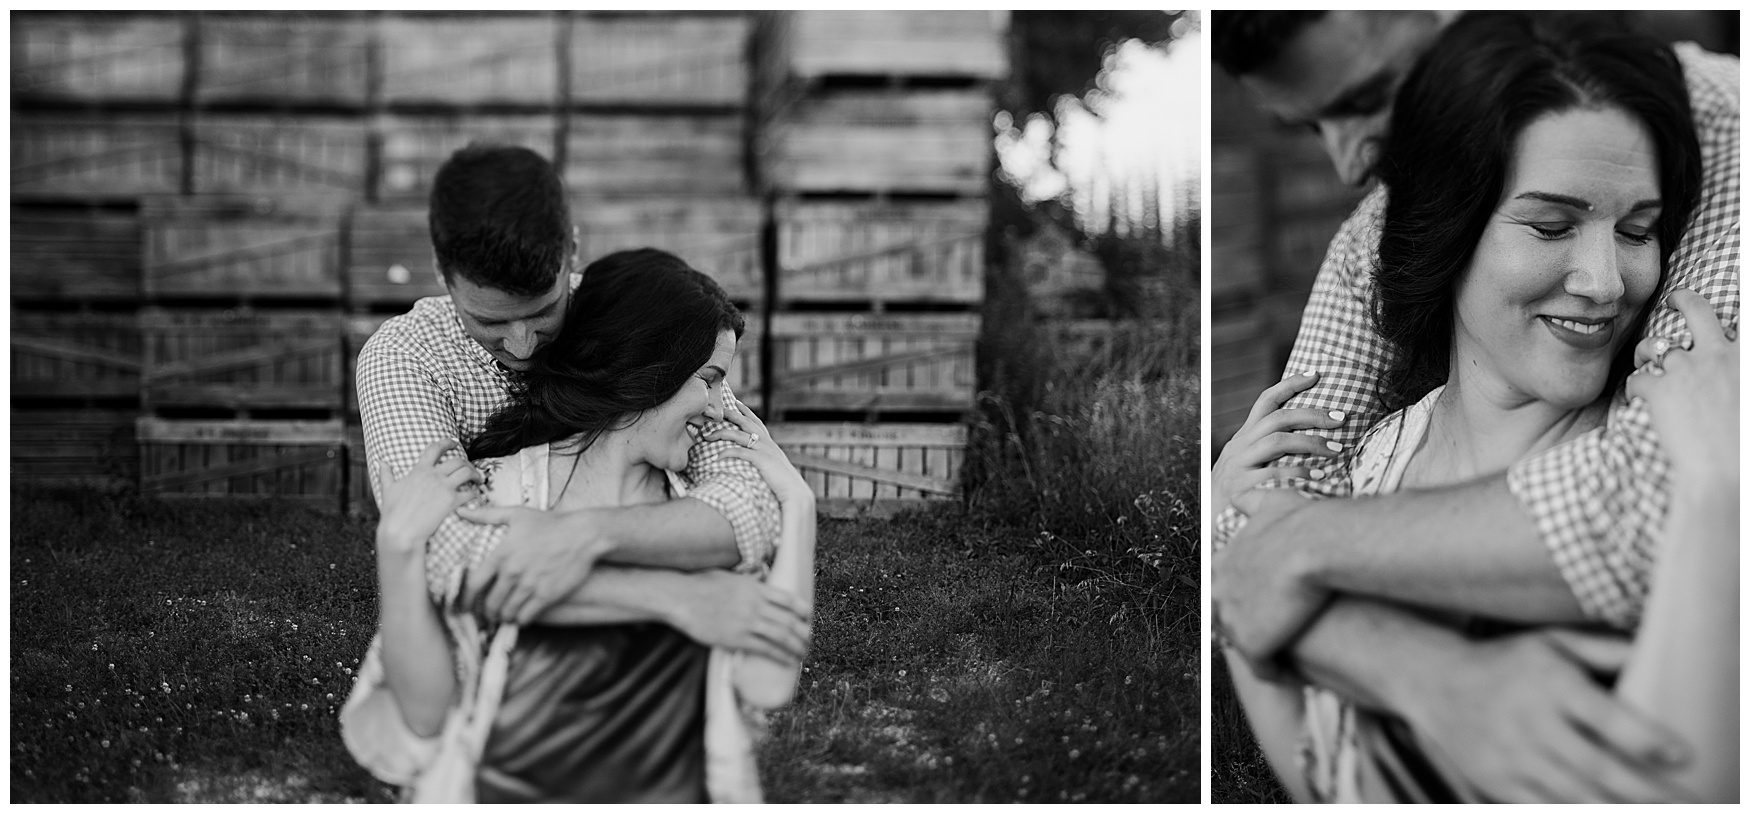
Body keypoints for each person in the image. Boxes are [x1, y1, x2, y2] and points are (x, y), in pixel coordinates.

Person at [1212, 12, 1734, 802]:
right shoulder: (1379, 237)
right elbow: (1245, 545)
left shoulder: (1733, 148)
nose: (1348, 161)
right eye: (1550, 225)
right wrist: (1432, 676)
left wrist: (1282, 545)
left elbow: (1660, 503)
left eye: (1368, 96)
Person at [343, 249, 817, 802]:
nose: (718, 408)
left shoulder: (703, 521)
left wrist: (797, 501)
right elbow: (423, 720)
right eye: (709, 380)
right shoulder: (496, 500)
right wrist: (397, 548)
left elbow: (769, 682)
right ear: (647, 371)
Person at [353, 143, 791, 635]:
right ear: (440, 271)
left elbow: (751, 506)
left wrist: (583, 536)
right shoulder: (405, 357)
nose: (521, 346)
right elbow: (442, 553)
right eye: (489, 320)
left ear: (572, 251)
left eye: (543, 311)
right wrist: (673, 596)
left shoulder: (628, 314)